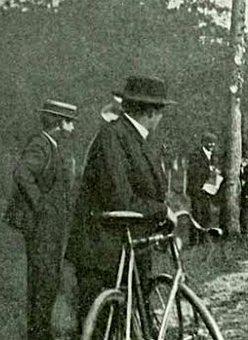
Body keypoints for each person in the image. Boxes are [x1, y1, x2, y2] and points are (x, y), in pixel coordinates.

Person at [66, 76, 183, 336]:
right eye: (161, 111)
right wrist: (162, 212)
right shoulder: (112, 137)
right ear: (152, 112)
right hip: (101, 251)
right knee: (101, 329)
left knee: (127, 324)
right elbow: (120, 199)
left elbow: (151, 192)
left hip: (128, 248)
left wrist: (160, 216)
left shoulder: (137, 140)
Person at [6, 100, 77, 340]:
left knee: (47, 282)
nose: (72, 129)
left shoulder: (51, 146)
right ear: (58, 123)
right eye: (70, 123)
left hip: (50, 228)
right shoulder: (40, 144)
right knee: (43, 282)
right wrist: (41, 205)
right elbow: (22, 173)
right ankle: (38, 334)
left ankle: (41, 332)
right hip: (41, 228)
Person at [187, 132, 220, 244]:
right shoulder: (196, 155)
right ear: (203, 142)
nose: (211, 145)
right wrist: (208, 171)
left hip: (207, 190)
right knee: (196, 214)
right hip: (196, 189)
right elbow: (193, 172)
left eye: (213, 143)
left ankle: (203, 239)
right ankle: (193, 240)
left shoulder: (214, 155)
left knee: (206, 214)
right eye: (209, 142)